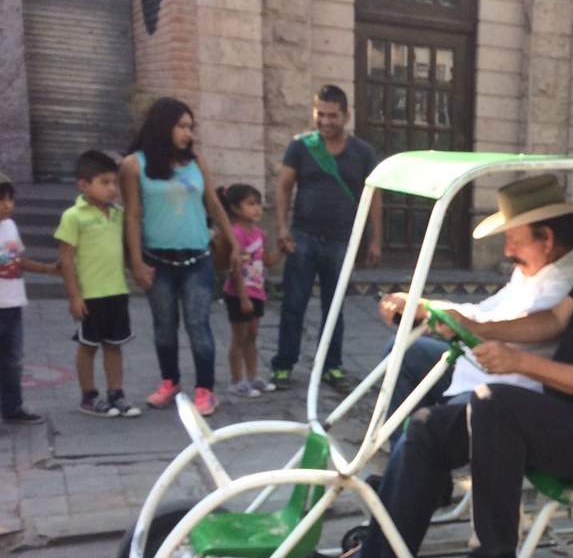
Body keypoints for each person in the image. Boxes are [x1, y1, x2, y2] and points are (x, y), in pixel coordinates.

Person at [304, 169, 573, 558]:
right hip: (572, 416)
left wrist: (520, 361)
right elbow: (554, 320)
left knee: (493, 402)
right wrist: (478, 328)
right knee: (427, 425)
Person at [374, 175, 573, 434]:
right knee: (404, 350)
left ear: (546, 238)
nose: (508, 252)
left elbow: (536, 321)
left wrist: (466, 324)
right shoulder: (536, 268)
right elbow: (486, 311)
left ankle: (408, 455)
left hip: (510, 390)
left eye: (514, 241)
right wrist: (426, 306)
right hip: (477, 370)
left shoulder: (571, 279)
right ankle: (396, 453)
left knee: (429, 428)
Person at [121, 97, 244, 417]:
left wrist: (232, 242)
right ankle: (170, 382)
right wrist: (136, 262)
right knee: (164, 325)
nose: (188, 133)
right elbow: (132, 215)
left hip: (197, 259)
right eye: (182, 126)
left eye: (191, 127)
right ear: (163, 126)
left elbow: (213, 203)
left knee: (197, 323)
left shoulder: (195, 162)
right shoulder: (134, 165)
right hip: (157, 260)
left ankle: (205, 389)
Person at [270, 85, 382, 393]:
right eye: (320, 114)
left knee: (334, 307)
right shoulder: (301, 147)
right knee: (293, 304)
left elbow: (373, 197)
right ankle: (283, 364)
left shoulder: (363, 152)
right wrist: (281, 227)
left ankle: (331, 366)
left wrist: (375, 239)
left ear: (346, 116)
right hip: (302, 237)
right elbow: (283, 187)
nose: (326, 121)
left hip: (342, 240)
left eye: (333, 115)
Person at [0, 170, 59, 439]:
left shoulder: (10, 227)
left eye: (10, 198)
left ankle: (12, 408)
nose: (8, 205)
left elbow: (17, 260)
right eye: (1, 199)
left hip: (12, 306)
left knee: (13, 362)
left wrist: (47, 269)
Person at [54, 150, 141, 418]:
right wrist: (74, 296)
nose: (112, 188)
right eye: (104, 182)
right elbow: (66, 259)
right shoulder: (73, 216)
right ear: (84, 185)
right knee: (88, 346)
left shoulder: (118, 215)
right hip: (90, 295)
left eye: (114, 182)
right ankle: (89, 397)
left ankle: (116, 393)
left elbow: (125, 249)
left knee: (114, 345)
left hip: (116, 291)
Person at [217, 184, 281, 399]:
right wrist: (243, 298)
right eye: (251, 204)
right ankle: (237, 380)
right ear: (235, 208)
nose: (257, 209)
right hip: (238, 293)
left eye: (258, 204)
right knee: (239, 337)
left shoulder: (259, 234)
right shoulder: (235, 234)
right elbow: (235, 269)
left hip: (256, 291)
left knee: (252, 336)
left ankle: (253, 376)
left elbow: (266, 261)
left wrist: (282, 251)